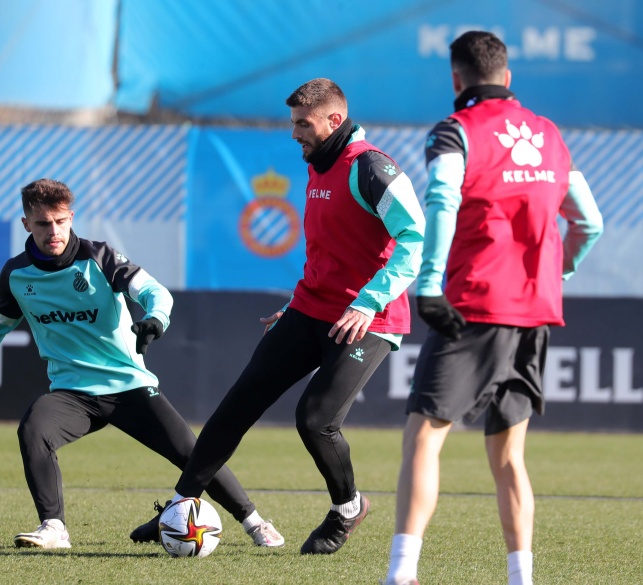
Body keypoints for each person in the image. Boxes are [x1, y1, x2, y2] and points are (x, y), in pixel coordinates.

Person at [132, 78, 425, 555]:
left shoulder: (371, 166)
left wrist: (367, 302)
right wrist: (293, 305)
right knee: (238, 403)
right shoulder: (319, 164)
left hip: (366, 317)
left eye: (303, 124)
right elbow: (330, 252)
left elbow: (414, 238)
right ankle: (180, 506)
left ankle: (348, 508)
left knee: (315, 420)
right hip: (311, 307)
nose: (294, 134)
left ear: (334, 120)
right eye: (293, 123)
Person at [0, 178, 283, 550]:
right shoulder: (17, 275)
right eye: (43, 223)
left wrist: (155, 319)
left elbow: (154, 291)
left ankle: (255, 524)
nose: (53, 231)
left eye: (61, 221)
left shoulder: (99, 257)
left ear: (71, 218)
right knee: (33, 429)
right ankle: (54, 527)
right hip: (72, 394)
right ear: (26, 224)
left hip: (130, 387)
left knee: (193, 454)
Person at [383, 31, 604, 585]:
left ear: (456, 78)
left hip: (474, 308)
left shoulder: (455, 131)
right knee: (509, 457)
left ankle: (402, 573)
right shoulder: (549, 135)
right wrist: (556, 274)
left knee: (424, 438)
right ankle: (520, 577)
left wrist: (429, 284)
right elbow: (589, 223)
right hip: (535, 313)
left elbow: (442, 198)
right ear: (507, 77)